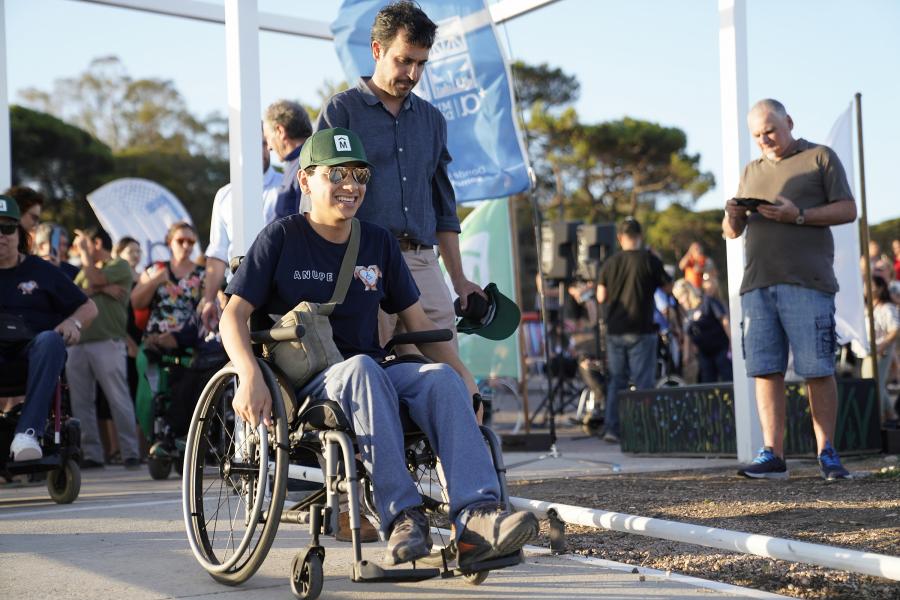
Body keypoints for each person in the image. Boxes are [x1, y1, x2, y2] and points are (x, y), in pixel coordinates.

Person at [221, 127, 537, 568]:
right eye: (338, 175)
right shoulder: (282, 237)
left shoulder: (377, 242)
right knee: (362, 371)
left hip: (374, 369)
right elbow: (232, 316)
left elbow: (420, 325)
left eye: (360, 176)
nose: (352, 186)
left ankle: (478, 519)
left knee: (439, 380)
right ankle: (403, 516)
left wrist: (465, 379)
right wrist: (248, 374)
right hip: (310, 384)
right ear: (306, 180)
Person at [315, 1, 484, 399]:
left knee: (446, 381)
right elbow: (318, 199)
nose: (413, 74)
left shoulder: (432, 121)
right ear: (377, 50)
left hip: (424, 263)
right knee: (377, 378)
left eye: (422, 64)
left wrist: (459, 281)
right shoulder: (341, 110)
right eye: (404, 60)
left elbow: (444, 207)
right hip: (361, 261)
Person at [723, 99, 857, 481]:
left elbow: (848, 209)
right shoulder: (751, 170)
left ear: (789, 122)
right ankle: (772, 454)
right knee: (766, 370)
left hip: (808, 282)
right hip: (757, 285)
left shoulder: (820, 158)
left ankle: (827, 452)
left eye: (770, 130)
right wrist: (732, 217)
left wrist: (797, 215)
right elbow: (731, 232)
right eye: (757, 135)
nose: (765, 139)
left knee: (817, 369)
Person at [0, 195, 98, 461]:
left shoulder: (41, 270)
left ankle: (27, 434)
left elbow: (89, 307)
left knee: (50, 340)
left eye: (7, 227)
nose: (2, 235)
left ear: (18, 231)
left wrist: (73, 322)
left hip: (31, 356)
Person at [66, 227, 140, 469]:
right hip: (78, 344)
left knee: (118, 398)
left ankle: (130, 452)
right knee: (81, 402)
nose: (79, 249)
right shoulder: (86, 272)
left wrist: (90, 266)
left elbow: (94, 279)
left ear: (96, 243)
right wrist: (102, 289)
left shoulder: (120, 266)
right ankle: (92, 454)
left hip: (107, 341)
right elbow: (76, 293)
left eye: (84, 244)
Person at [595, 217, 671, 443]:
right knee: (643, 381)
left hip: (615, 329)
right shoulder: (650, 260)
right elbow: (668, 286)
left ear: (620, 238)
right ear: (640, 236)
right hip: (641, 328)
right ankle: (641, 430)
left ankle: (612, 428)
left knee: (616, 380)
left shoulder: (610, 263)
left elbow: (601, 296)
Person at [201, 132, 281, 332]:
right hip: (236, 293)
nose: (258, 150)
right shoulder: (224, 195)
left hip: (280, 295)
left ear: (269, 146)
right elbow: (218, 253)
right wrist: (209, 299)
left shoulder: (287, 186)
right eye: (250, 144)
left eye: (262, 143)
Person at [130, 222, 205, 437]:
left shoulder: (201, 274)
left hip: (186, 342)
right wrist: (155, 281)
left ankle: (184, 437)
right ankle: (151, 437)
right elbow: (136, 302)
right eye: (180, 240)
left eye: (190, 241)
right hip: (153, 340)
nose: (186, 245)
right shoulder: (156, 269)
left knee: (186, 389)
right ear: (169, 242)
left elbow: (206, 310)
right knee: (147, 392)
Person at [672, 279, 732, 383]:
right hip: (704, 354)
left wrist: (732, 341)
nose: (680, 301)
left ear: (688, 292)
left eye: (681, 296)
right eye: (678, 298)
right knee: (707, 382)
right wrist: (686, 356)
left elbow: (724, 321)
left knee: (727, 378)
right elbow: (687, 335)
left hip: (720, 349)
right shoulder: (687, 313)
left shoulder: (707, 302)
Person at [264, 100, 313, 221]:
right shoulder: (297, 164)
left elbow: (306, 225)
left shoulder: (305, 165)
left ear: (280, 131)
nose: (269, 147)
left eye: (267, 138)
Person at [864, 276, 899, 422]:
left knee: (875, 385)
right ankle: (890, 416)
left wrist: (881, 346)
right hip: (867, 352)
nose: (866, 289)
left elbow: (895, 330)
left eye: (870, 285)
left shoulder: (887, 308)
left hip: (881, 352)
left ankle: (882, 417)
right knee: (872, 384)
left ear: (879, 288)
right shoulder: (867, 308)